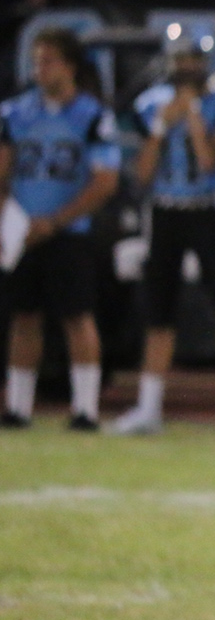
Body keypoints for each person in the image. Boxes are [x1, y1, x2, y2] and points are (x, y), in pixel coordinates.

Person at [111, 35, 215, 439]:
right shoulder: (152, 104)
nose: (186, 68)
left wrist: (193, 115)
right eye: (180, 59)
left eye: (193, 59)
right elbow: (142, 173)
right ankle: (148, 408)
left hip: (208, 207)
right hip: (164, 209)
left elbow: (209, 160)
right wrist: (162, 126)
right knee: (158, 311)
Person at [0, 27, 120, 431]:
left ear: (69, 66)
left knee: (77, 316)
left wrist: (54, 222)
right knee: (23, 317)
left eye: (48, 61)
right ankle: (18, 407)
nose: (40, 70)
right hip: (22, 229)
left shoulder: (92, 116)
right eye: (37, 62)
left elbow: (104, 182)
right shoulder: (15, 114)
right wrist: (11, 220)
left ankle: (85, 409)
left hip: (69, 231)